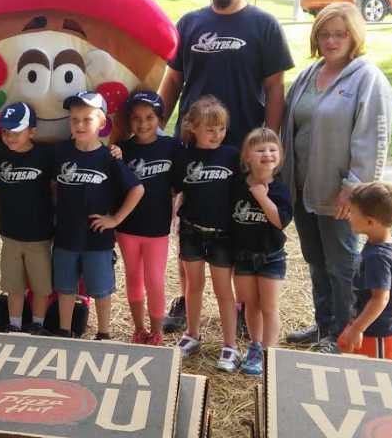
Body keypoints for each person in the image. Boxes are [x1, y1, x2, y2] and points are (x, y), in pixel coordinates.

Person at [158, 0, 295, 334]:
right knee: (189, 220)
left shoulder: (264, 25)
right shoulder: (190, 23)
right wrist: (157, 126)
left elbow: (274, 86)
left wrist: (269, 139)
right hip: (192, 145)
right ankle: (186, 298)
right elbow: (173, 80)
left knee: (235, 223)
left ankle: (240, 305)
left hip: (239, 147)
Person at [282, 2, 392, 353]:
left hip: (340, 194)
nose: (331, 41)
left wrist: (354, 188)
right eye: (324, 34)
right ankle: (323, 324)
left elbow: (373, 140)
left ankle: (343, 333)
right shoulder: (309, 74)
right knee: (316, 260)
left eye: (340, 34)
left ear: (354, 36)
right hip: (303, 188)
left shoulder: (368, 80)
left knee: (342, 265)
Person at [52, 91, 144, 340]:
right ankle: (64, 332)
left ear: (102, 123)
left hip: (98, 238)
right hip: (66, 236)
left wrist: (115, 219)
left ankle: (104, 333)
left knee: (101, 290)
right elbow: (52, 183)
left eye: (87, 119)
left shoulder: (108, 157)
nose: (80, 125)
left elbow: (137, 189)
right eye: (74, 119)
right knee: (65, 288)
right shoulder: (61, 152)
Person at [172, 95, 242, 371]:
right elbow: (176, 190)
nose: (217, 135)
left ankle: (230, 345)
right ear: (192, 127)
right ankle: (192, 333)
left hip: (222, 234)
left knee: (224, 291)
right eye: (210, 129)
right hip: (191, 231)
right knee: (193, 286)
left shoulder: (232, 156)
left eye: (221, 129)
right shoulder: (184, 157)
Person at [115, 92, 180, 346]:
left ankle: (156, 331)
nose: (143, 124)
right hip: (128, 227)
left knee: (154, 280)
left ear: (160, 119)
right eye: (136, 118)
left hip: (157, 227)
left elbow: (178, 181)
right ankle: (139, 328)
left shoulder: (171, 147)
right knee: (133, 277)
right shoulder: (124, 149)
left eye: (150, 117)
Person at [0, 101, 55, 334]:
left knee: (41, 286)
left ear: (32, 132)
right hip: (10, 235)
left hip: (39, 235)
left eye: (16, 131)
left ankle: (38, 324)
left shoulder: (45, 154)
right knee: (13, 285)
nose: (9, 137)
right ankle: (14, 325)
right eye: (5, 131)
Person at [231, 128, 293, 375]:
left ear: (280, 155)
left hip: (271, 257)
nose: (267, 154)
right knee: (251, 304)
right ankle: (255, 346)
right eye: (260, 150)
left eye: (272, 149)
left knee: (268, 307)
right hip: (243, 257)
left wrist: (263, 198)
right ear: (247, 155)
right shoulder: (237, 185)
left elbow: (280, 222)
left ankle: (269, 354)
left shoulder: (280, 189)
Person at [338, 181, 392, 360]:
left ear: (370, 221)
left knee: (374, 370)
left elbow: (380, 299)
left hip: (377, 330)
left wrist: (357, 328)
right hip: (368, 323)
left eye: (352, 212)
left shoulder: (377, 257)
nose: (349, 216)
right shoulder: (391, 242)